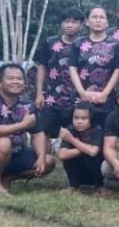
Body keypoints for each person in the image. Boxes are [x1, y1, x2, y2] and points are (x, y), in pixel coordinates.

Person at [0, 63, 54, 193]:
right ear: (0, 82)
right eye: (11, 78)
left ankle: (7, 178)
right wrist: (22, 125)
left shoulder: (28, 105)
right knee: (4, 143)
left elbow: (37, 133)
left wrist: (41, 156)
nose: (16, 82)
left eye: (19, 79)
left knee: (48, 160)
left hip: (16, 153)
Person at [33, 8, 84, 137]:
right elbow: (42, 67)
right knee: (44, 130)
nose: (69, 25)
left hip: (77, 98)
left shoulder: (85, 45)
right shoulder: (49, 43)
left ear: (82, 25)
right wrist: (39, 94)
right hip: (51, 97)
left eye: (74, 22)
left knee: (78, 133)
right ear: (61, 24)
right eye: (66, 21)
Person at [69, 6, 119, 118]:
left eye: (102, 17)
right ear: (87, 22)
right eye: (94, 17)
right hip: (81, 97)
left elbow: (118, 71)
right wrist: (82, 92)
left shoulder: (116, 45)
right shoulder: (78, 43)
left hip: (107, 99)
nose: (98, 20)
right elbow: (72, 68)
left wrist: (104, 94)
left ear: (107, 23)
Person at [57, 101, 105, 195]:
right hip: (79, 171)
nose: (79, 122)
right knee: (70, 157)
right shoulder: (70, 130)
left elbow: (93, 152)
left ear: (91, 119)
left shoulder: (98, 130)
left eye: (84, 118)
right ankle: (73, 186)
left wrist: (72, 140)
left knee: (92, 157)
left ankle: (99, 186)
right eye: (76, 118)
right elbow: (62, 155)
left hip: (97, 172)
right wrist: (84, 149)